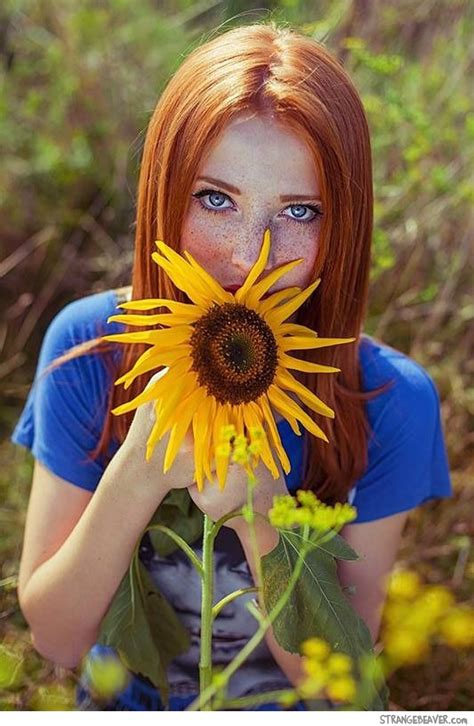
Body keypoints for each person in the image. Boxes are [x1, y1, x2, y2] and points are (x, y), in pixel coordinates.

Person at [10, 21, 452, 711]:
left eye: (300, 211)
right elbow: (57, 639)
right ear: (164, 192)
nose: (250, 256)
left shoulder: (390, 399)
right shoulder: (93, 349)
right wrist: (140, 469)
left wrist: (262, 517)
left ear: (346, 225)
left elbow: (347, 688)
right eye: (216, 198)